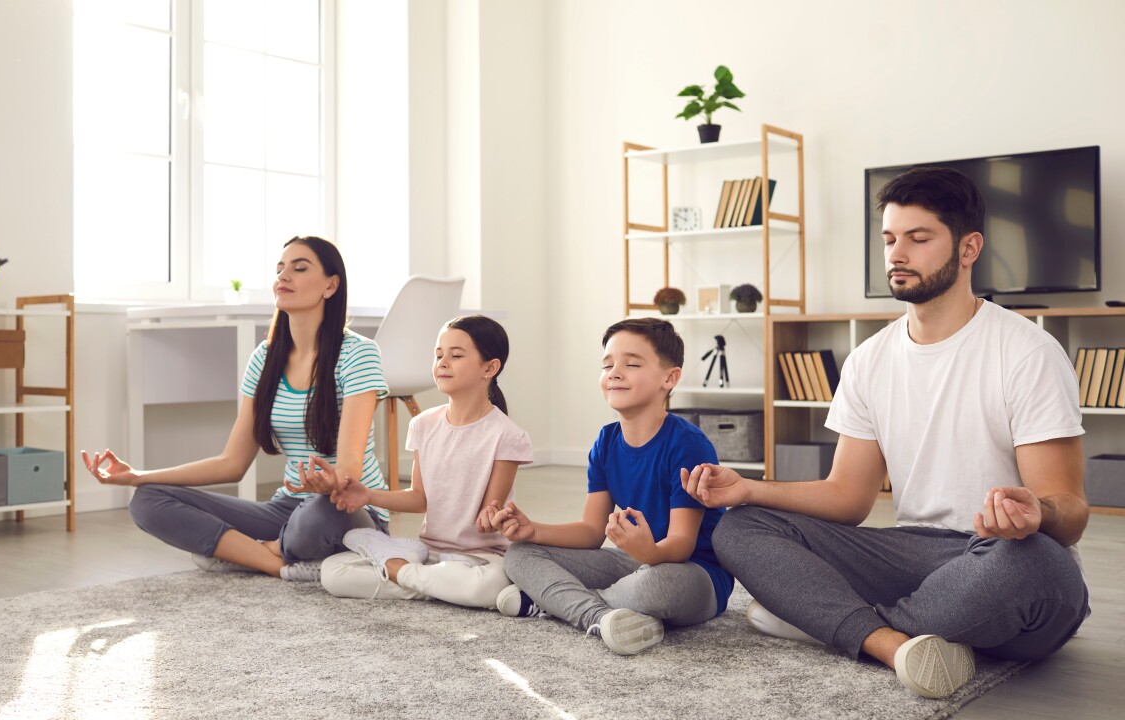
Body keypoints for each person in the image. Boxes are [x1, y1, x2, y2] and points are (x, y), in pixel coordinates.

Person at [686, 167, 1090, 699]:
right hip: (911, 555)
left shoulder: (1027, 352)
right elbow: (847, 497)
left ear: (969, 248)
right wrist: (749, 489)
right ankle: (891, 643)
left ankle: (830, 620)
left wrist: (1037, 513)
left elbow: (1070, 511)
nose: (898, 253)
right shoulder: (868, 359)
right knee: (739, 527)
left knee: (1039, 567)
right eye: (890, 239)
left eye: (919, 239)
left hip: (1000, 557)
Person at [81, 236, 391, 581]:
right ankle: (277, 562)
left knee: (322, 513)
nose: (283, 276)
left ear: (331, 285)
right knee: (147, 501)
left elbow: (348, 474)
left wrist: (327, 484)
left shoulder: (359, 353)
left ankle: (249, 552)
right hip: (286, 510)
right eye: (279, 269)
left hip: (345, 510)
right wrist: (138, 476)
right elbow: (231, 463)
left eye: (299, 268)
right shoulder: (264, 359)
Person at [490, 318, 733, 656]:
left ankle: (554, 602)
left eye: (631, 364)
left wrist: (650, 554)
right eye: (607, 365)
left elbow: (680, 544)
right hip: (632, 560)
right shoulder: (605, 441)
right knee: (519, 554)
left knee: (656, 587)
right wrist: (533, 530)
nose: (615, 372)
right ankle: (601, 617)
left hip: (693, 573)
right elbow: (591, 532)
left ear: (670, 378)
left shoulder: (688, 445)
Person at [317, 315, 534, 608]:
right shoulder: (422, 425)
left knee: (486, 586)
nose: (443, 362)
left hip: (479, 559)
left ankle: (398, 570)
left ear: (490, 367)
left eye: (456, 355)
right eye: (438, 355)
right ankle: (426, 580)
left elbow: (487, 517)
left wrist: (492, 518)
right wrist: (368, 495)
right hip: (427, 551)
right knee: (333, 572)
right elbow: (419, 498)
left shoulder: (507, 435)